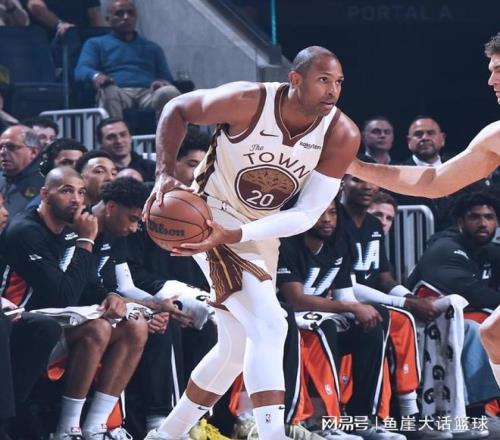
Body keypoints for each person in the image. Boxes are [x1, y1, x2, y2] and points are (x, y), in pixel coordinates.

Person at [143, 45, 360, 440]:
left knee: (233, 349)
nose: (333, 90)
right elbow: (177, 108)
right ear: (295, 80)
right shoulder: (249, 101)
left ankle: (166, 435)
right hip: (210, 217)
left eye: (339, 82)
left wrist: (240, 234)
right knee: (272, 324)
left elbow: (307, 214)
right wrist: (163, 172)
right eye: (323, 80)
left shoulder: (342, 133)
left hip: (261, 230)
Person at [74, 0, 180, 119]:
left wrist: (161, 82)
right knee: (108, 91)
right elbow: (81, 69)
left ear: (136, 17)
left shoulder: (152, 47)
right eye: (119, 13)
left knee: (169, 92)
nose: (126, 17)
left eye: (130, 13)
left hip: (148, 93)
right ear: (108, 19)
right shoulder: (96, 43)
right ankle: (115, 129)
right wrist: (97, 76)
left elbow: (166, 77)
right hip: (118, 91)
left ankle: (171, 131)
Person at [0, 125, 43, 216]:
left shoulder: (45, 183)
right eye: (0, 147)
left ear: (33, 152)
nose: (2, 152)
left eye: (11, 147)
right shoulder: (1, 179)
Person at [96, 117, 156, 181]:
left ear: (130, 137)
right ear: (100, 143)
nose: (119, 141)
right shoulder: (98, 173)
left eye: (123, 135)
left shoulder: (151, 168)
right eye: (111, 137)